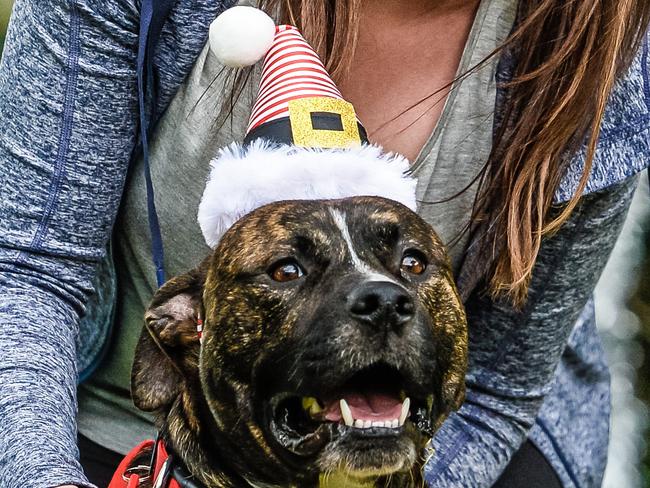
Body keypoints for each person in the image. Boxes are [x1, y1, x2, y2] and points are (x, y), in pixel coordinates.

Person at [0, 0, 648, 487]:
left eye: (412, 265)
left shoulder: (604, 37)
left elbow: (498, 385)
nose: (383, 296)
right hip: (106, 417)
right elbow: (28, 272)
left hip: (457, 436)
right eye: (286, 269)